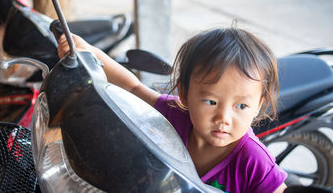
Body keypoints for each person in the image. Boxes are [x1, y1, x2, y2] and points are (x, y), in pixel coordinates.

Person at [57, 27, 288, 193]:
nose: (223, 118)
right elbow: (133, 86)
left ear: (259, 105)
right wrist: (93, 54)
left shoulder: (255, 162)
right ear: (184, 94)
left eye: (241, 106)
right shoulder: (174, 116)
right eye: (211, 102)